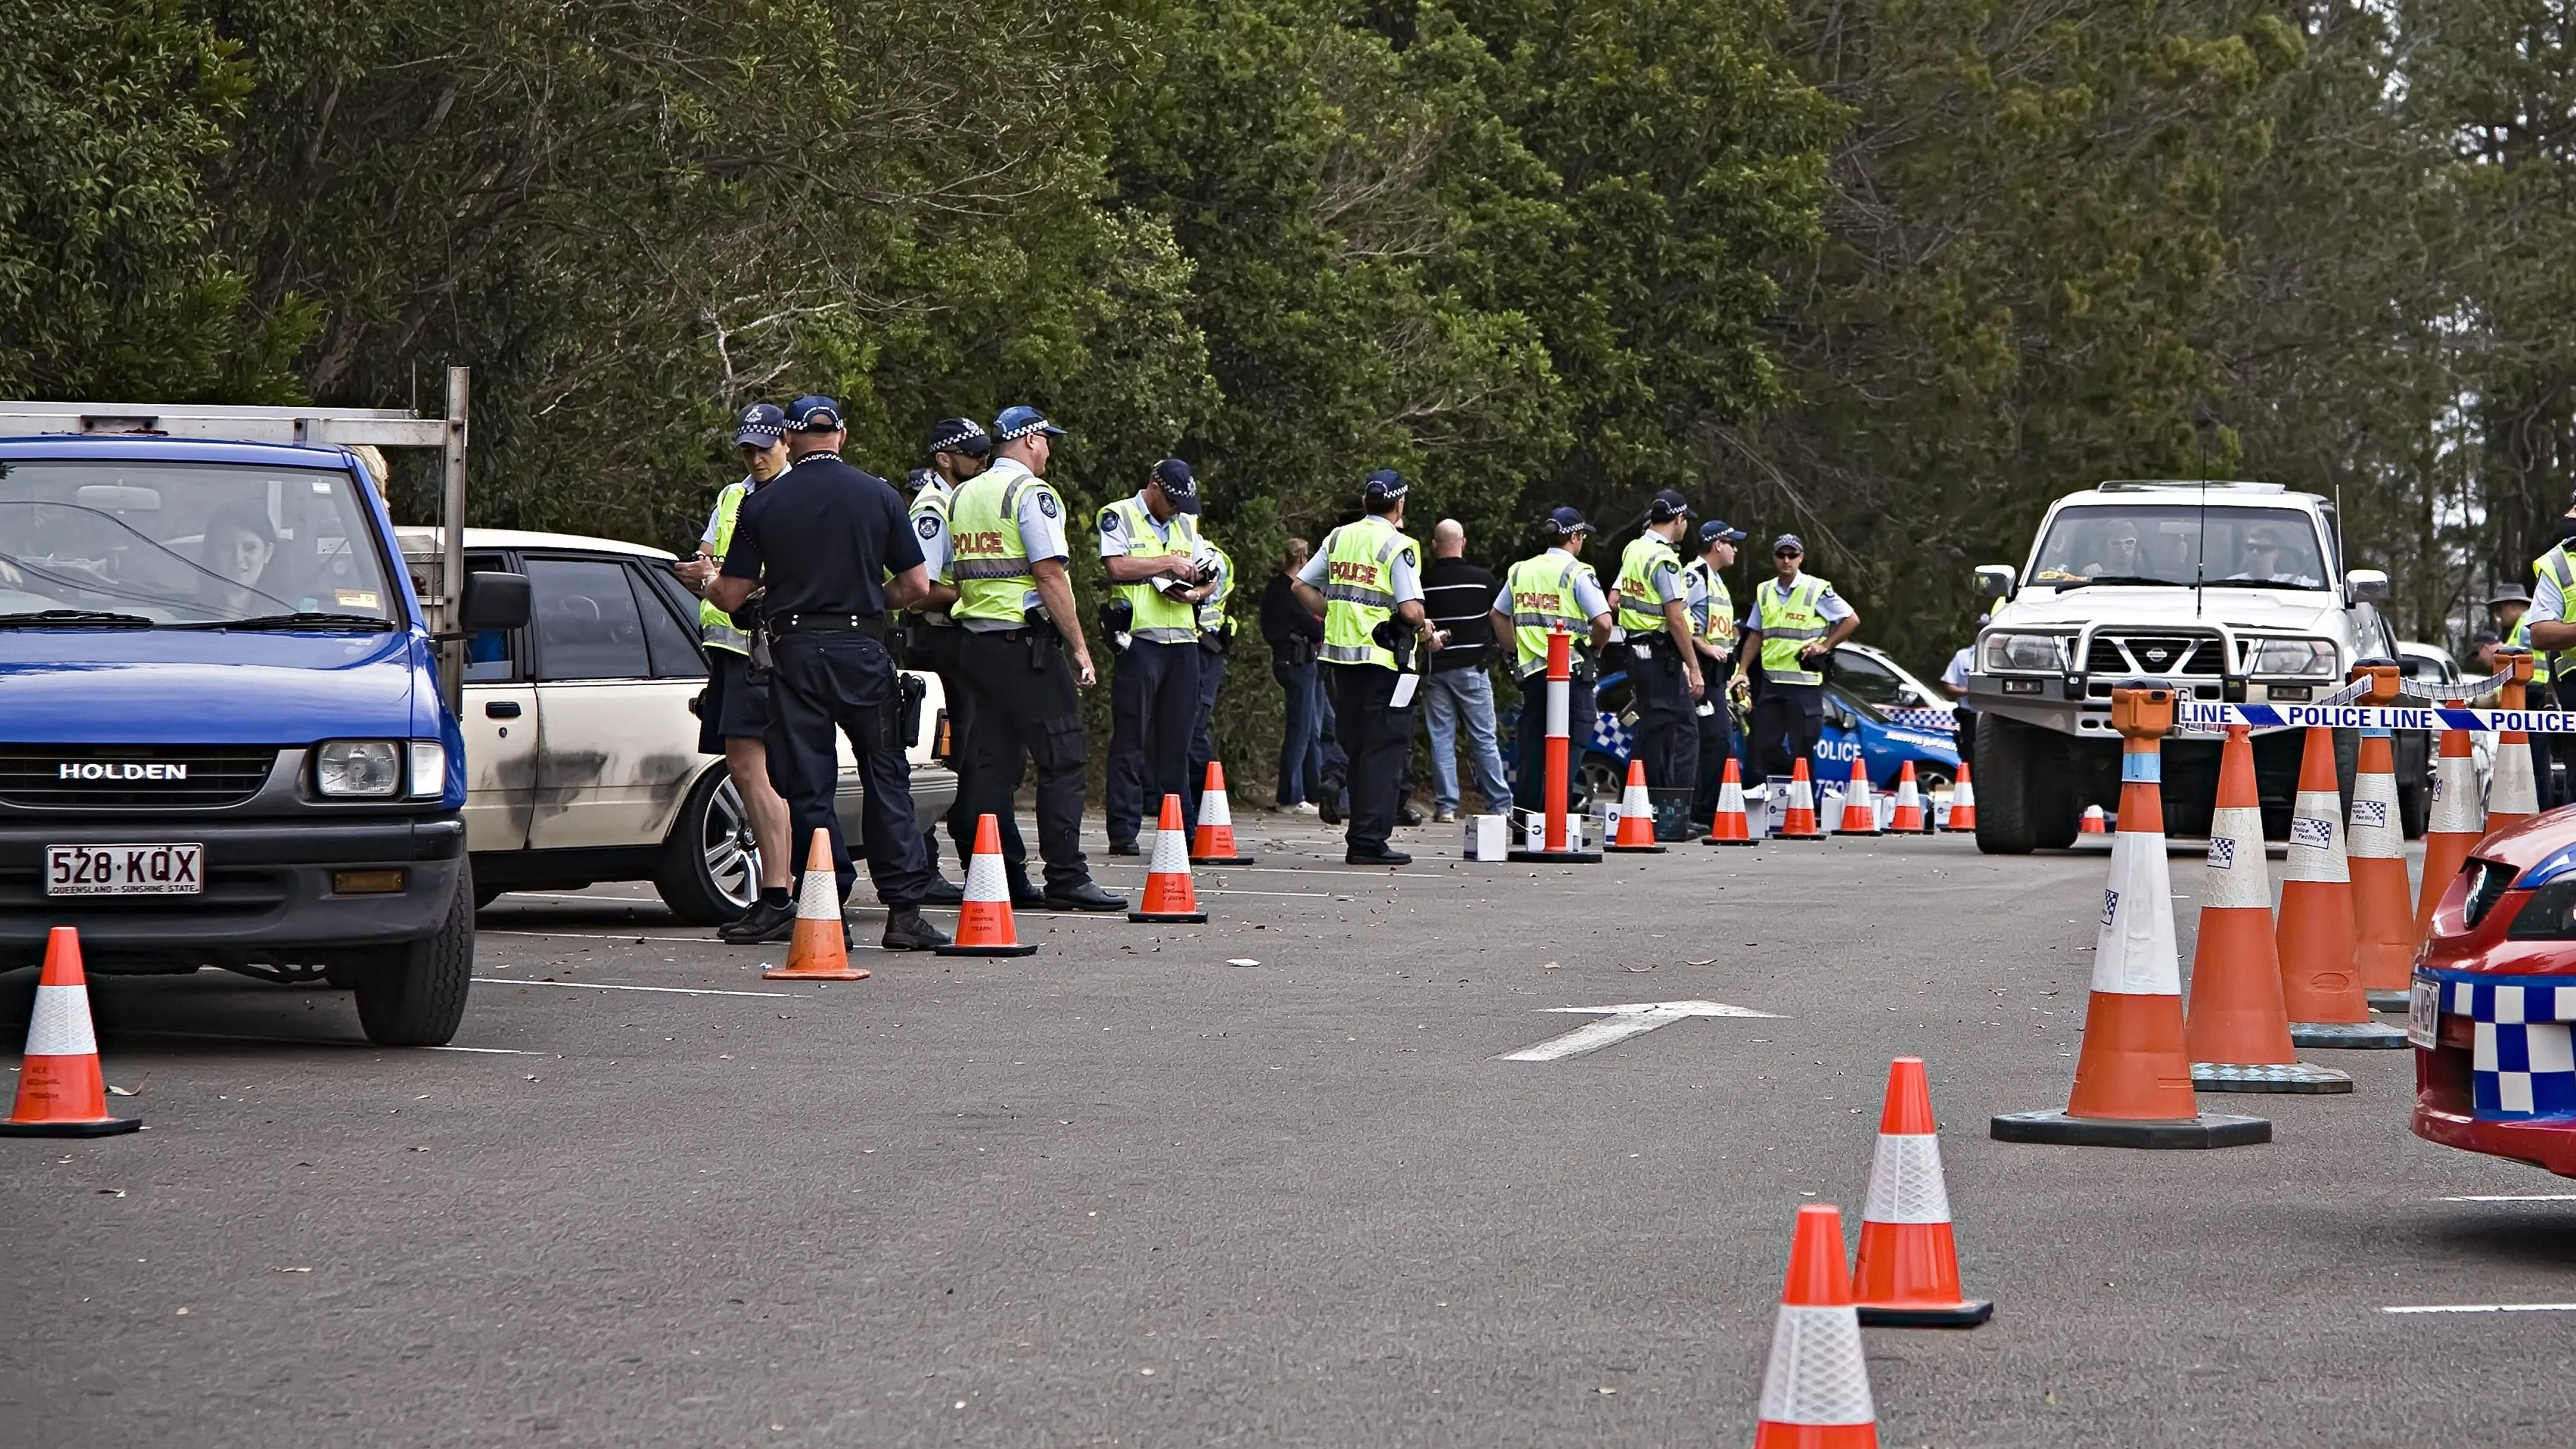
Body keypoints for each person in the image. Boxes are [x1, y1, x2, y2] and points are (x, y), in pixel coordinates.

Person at [703, 395, 949, 952]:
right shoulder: (879, 495)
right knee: (885, 775)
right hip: (863, 650)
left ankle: (824, 903)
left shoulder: (763, 504)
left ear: (788, 440)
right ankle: (904, 911)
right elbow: (915, 587)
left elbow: (734, 593)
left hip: (794, 654)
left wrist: (708, 583)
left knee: (808, 784)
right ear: (841, 434)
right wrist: (867, 600)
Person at [947, 406, 1126, 911]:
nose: (1048, 449)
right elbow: (1049, 575)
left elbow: (958, 574)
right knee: (1063, 757)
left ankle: (994, 875)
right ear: (1027, 441)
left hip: (976, 644)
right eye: (1045, 440)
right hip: (1021, 644)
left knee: (994, 766)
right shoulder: (1030, 493)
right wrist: (1079, 645)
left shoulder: (964, 494)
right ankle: (1067, 876)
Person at [675, 403, 800, 942]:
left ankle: (778, 893)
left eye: (764, 448)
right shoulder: (733, 496)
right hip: (729, 650)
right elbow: (707, 556)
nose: (755, 458)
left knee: (756, 771)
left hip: (763, 648)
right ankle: (774, 893)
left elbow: (783, 576)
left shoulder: (794, 497)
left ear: (787, 444)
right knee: (744, 769)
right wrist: (701, 574)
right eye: (747, 449)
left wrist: (717, 577)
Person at [1291, 468, 1435, 866]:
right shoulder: (1398, 545)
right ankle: (1369, 839)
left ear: (1363, 503)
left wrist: (1333, 611)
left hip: (1341, 659)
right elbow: (1409, 608)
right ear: (1400, 504)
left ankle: (1361, 834)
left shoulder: (1339, 537)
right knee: (1385, 749)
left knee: (1355, 747)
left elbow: (1300, 586)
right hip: (1383, 660)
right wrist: (1424, 624)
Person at [902, 418, 1007, 902]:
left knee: (962, 758)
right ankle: (922, 869)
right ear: (944, 459)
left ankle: (958, 862)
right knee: (934, 758)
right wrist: (970, 594)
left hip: (957, 643)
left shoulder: (962, 500)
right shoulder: (934, 508)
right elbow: (918, 589)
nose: (983, 461)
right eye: (973, 454)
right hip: (935, 644)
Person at [1098, 459, 1214, 854]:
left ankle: (1181, 828)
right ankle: (1124, 831)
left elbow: (1207, 572)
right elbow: (1116, 566)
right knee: (1131, 736)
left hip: (1182, 641)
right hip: (1139, 641)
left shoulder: (1185, 522)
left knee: (1177, 740)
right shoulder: (1120, 515)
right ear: (1154, 487)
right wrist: (1167, 563)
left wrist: (1198, 589)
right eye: (1172, 501)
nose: (1177, 509)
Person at [1491, 507, 1615, 818]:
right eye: (1582, 536)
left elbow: (1498, 615)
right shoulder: (1577, 572)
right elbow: (1604, 623)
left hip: (1532, 675)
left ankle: (1525, 822)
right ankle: (1554, 820)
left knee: (1533, 747)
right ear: (1574, 537)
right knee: (1571, 742)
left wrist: (1514, 654)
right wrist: (1594, 650)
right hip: (1569, 674)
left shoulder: (1521, 570)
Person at [1738, 535, 1859, 789]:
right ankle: (1775, 801)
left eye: (1792, 555)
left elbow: (1851, 619)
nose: (1786, 560)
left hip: (1804, 686)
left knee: (1802, 748)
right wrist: (1743, 670)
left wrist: (1825, 645)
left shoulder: (1816, 589)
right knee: (1763, 745)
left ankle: (1804, 811)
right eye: (1781, 555)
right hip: (1772, 684)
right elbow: (1756, 634)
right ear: (1774, 557)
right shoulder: (1765, 590)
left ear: (1801, 558)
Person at [1609, 489, 1705, 794]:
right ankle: (1659, 810)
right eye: (1685, 520)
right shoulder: (1665, 559)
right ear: (1678, 519)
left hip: (1637, 650)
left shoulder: (1633, 549)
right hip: (1659, 654)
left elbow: (1615, 599)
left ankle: (1647, 807)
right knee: (1665, 731)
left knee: (1656, 728)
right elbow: (1675, 619)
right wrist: (1694, 666)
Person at [1418, 519, 1510, 822]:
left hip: (1435, 670)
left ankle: (1446, 806)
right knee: (1483, 738)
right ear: (1464, 543)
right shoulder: (1483, 580)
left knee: (1441, 738)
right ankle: (1499, 805)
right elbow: (1497, 617)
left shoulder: (1423, 581)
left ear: (1434, 545)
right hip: (1472, 668)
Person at [1682, 518, 1747, 821]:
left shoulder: (1716, 579)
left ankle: (1707, 809)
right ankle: (1700, 810)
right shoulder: (1695, 577)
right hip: (1700, 669)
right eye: (1732, 543)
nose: (1735, 549)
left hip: (1718, 674)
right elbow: (1678, 619)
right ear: (1717, 544)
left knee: (1720, 742)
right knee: (1712, 741)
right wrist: (1703, 647)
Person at [1261, 538, 1326, 813]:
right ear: (1301, 560)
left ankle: (1313, 790)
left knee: (1312, 727)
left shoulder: (1279, 589)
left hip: (1300, 660)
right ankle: (1290, 795)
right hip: (1296, 661)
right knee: (1301, 728)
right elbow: (1310, 624)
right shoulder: (1287, 592)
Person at [1187, 532, 1235, 798]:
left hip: (1205, 646)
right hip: (1187, 647)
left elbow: (1202, 594)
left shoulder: (1209, 555)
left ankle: (1209, 794)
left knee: (1194, 725)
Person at [198, 505, 279, 614]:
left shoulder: (287, 619)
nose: (238, 558)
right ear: (214, 552)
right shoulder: (181, 618)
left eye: (250, 548)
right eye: (228, 548)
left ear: (268, 553)